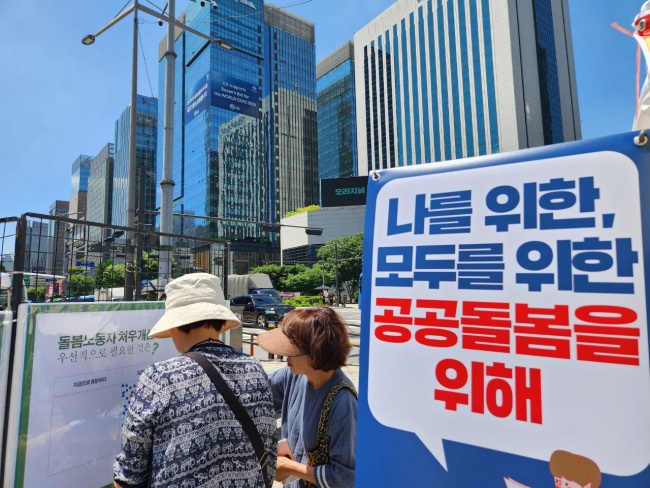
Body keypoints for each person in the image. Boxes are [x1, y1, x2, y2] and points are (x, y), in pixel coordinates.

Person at [113, 273, 277, 488]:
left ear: (175, 325)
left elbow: (129, 473)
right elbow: (269, 449)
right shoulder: (254, 367)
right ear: (220, 322)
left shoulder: (161, 377)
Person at [257, 307, 357, 488]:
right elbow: (257, 393)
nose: (285, 355)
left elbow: (344, 477)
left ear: (316, 351)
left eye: (292, 350)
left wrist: (290, 467)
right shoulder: (293, 375)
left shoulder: (343, 401)